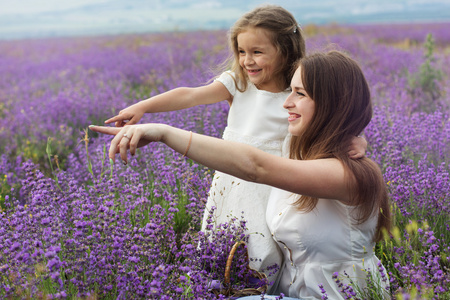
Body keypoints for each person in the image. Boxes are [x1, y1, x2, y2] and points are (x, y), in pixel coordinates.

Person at [90, 50, 391, 299]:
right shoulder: (298, 155)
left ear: (332, 105)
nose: (286, 102)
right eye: (290, 91)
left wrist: (163, 133)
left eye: (299, 94)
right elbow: (255, 151)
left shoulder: (348, 175)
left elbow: (255, 166)